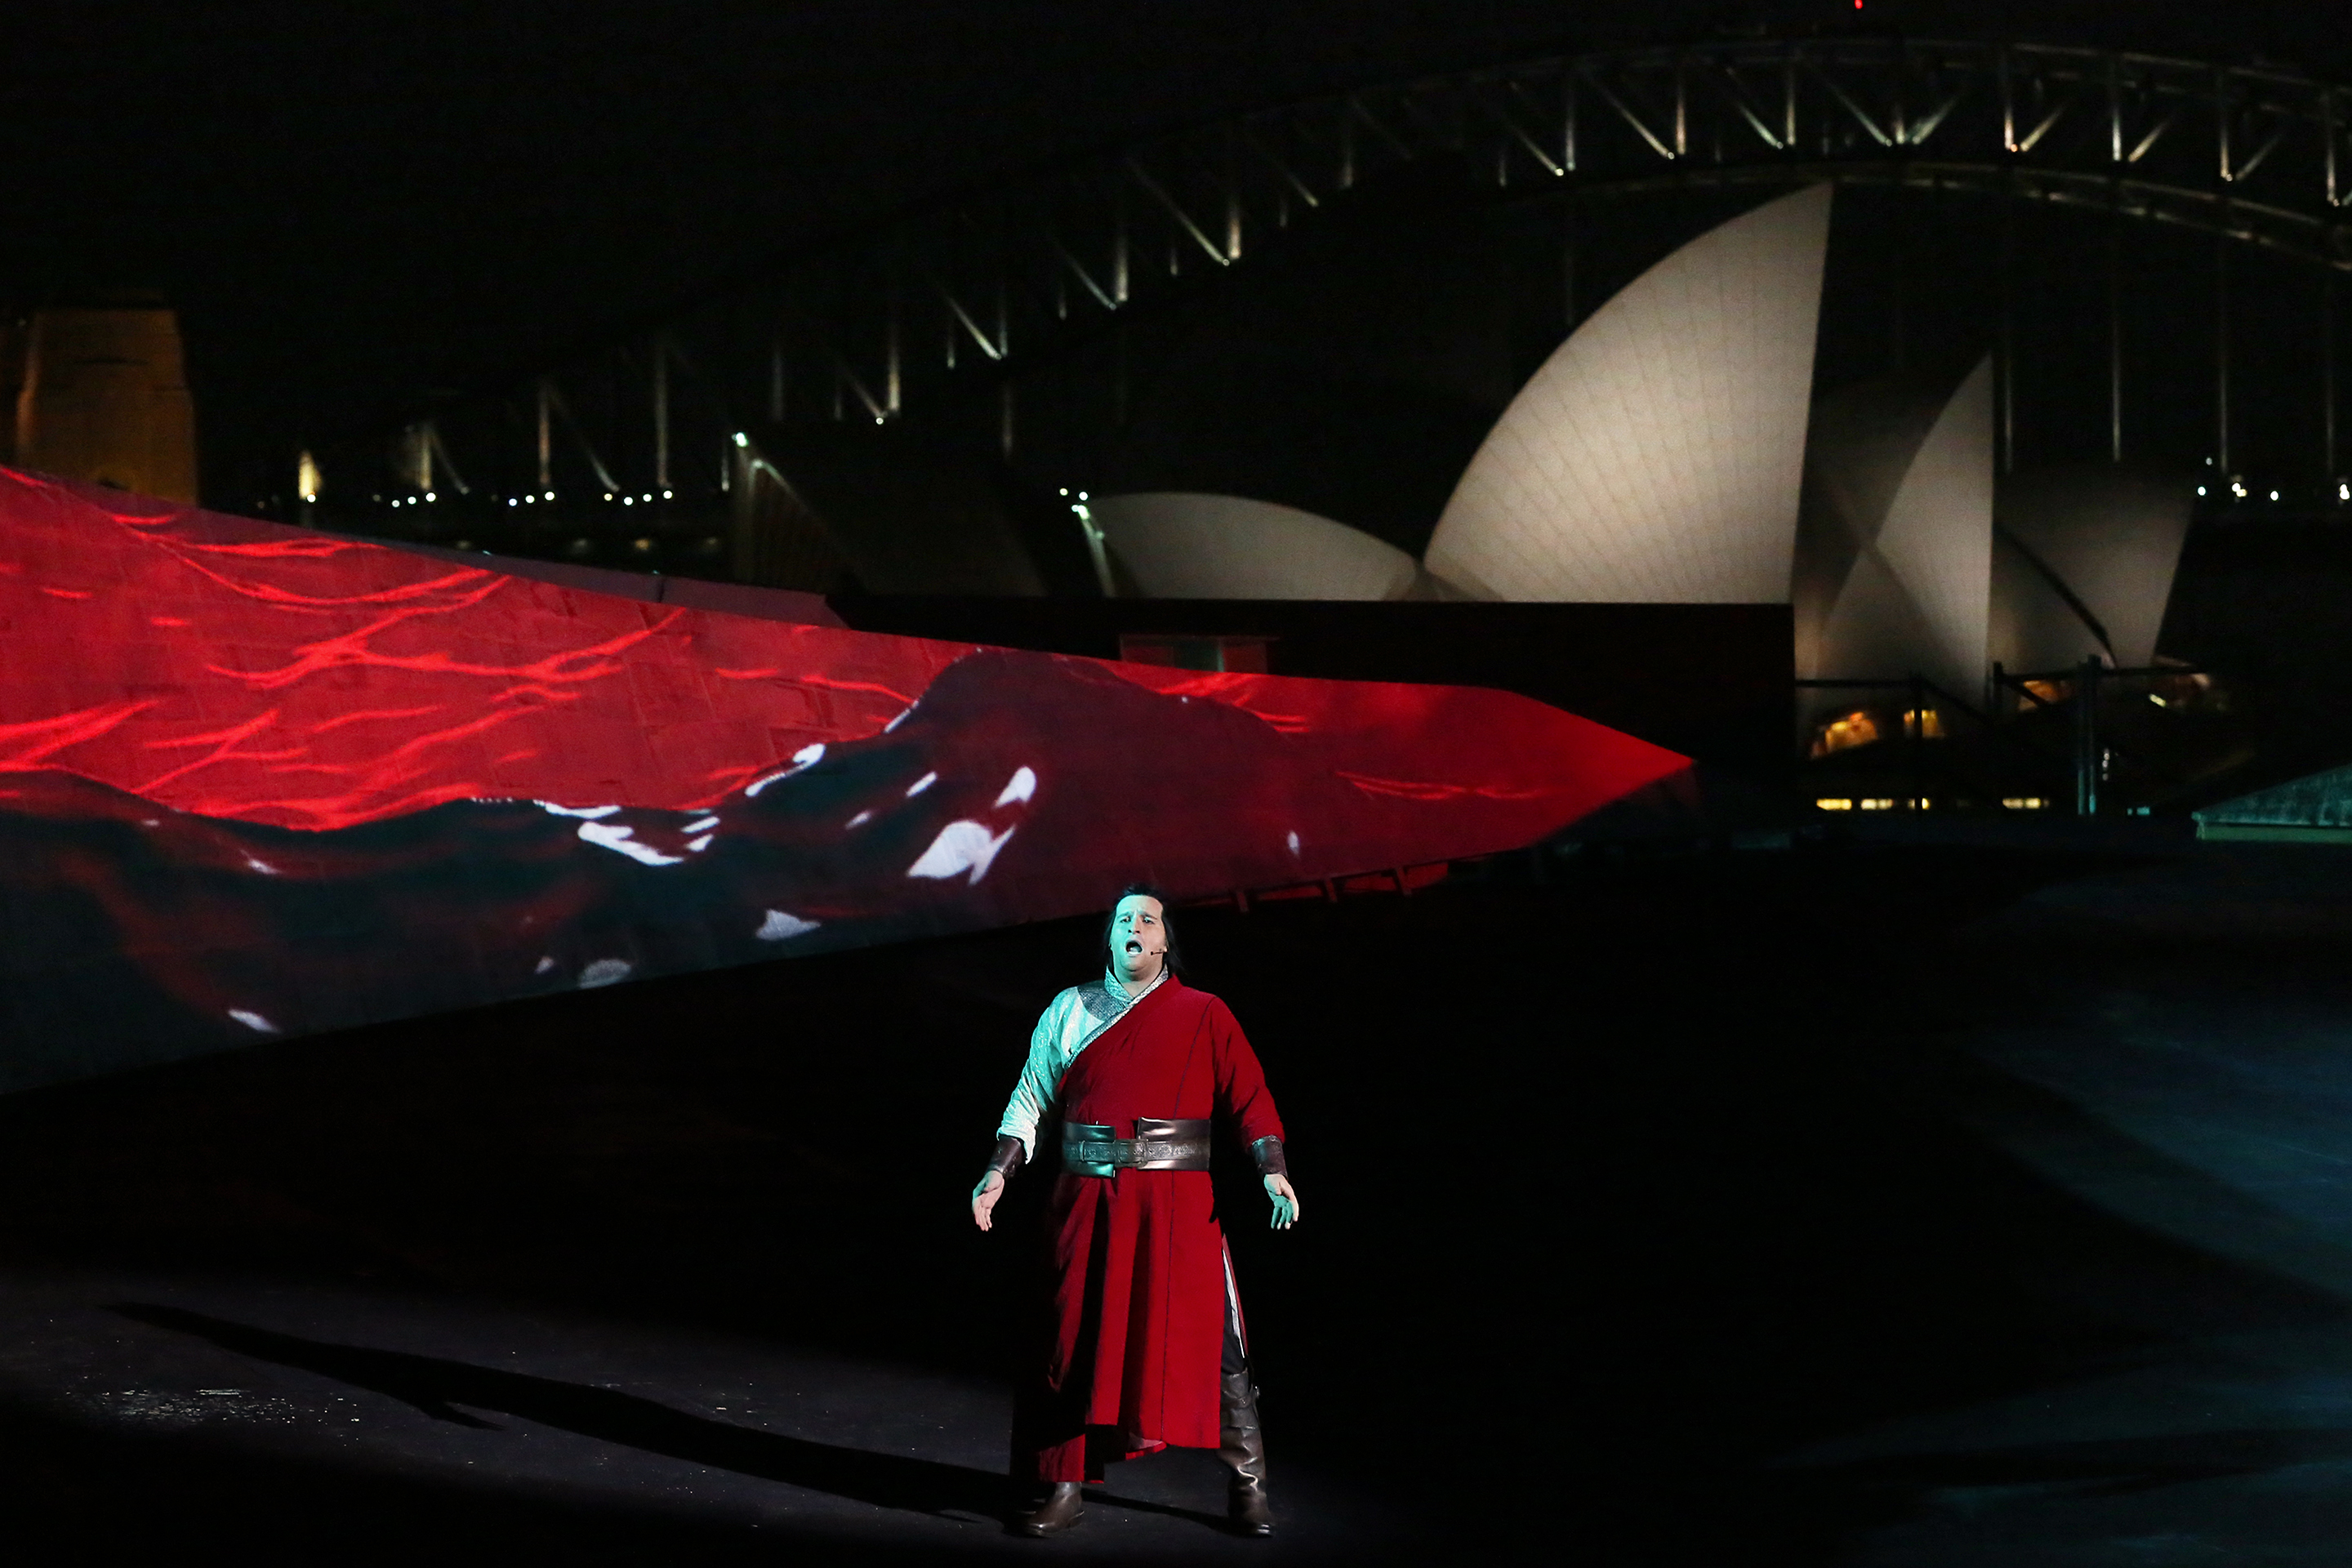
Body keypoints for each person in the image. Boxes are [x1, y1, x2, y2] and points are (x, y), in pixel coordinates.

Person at [971, 884, 1301, 1538]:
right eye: (1125, 918)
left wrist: (1272, 1168)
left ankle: (1249, 1486)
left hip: (1176, 1208)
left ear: (1165, 941)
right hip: (1087, 1201)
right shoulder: (1069, 1010)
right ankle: (1062, 1486)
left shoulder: (1204, 1014)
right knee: (1070, 1340)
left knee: (1217, 1345)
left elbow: (1250, 1097)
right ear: (1112, 937)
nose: (1135, 926)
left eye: (1148, 919)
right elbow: (1031, 1098)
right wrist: (998, 1171)